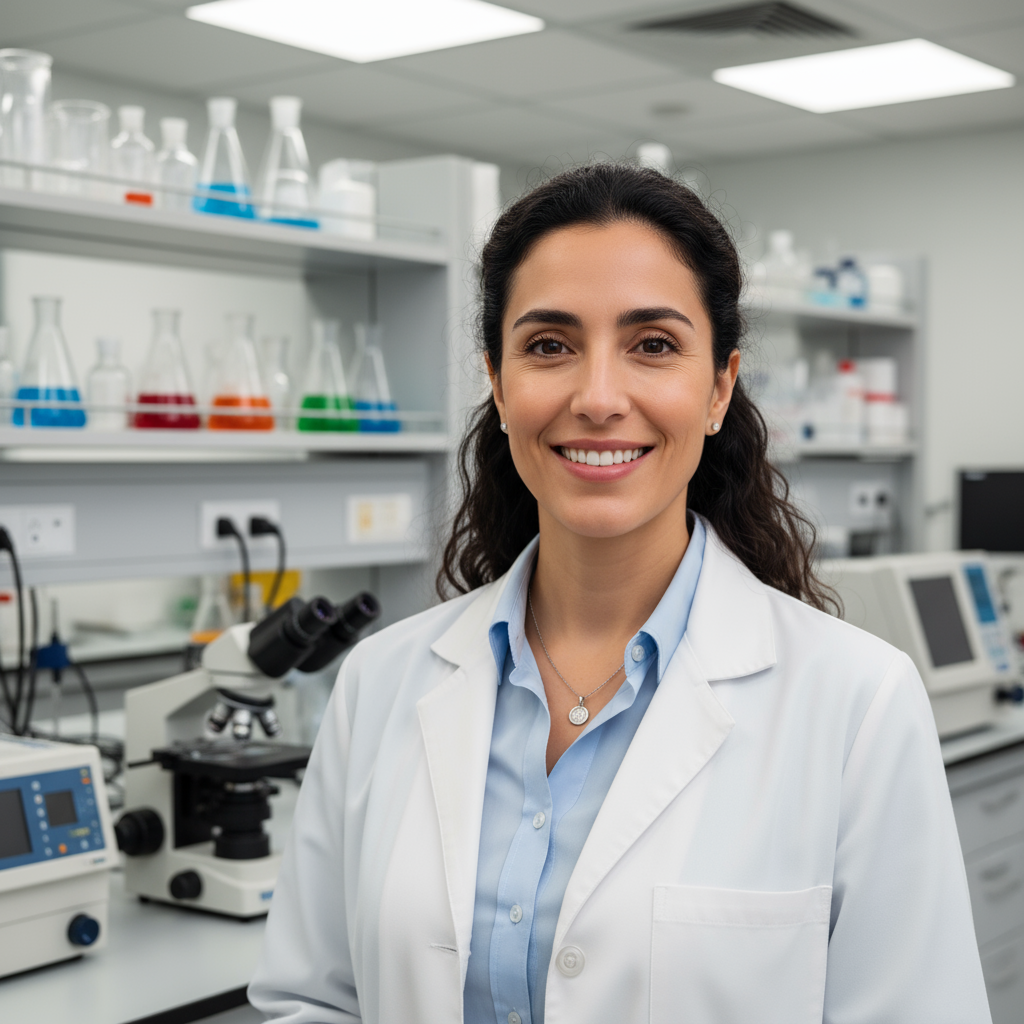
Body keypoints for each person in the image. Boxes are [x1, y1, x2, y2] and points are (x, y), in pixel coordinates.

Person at [248, 165, 990, 1024]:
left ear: (719, 389)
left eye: (654, 345)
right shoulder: (379, 683)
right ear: (498, 384)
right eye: (549, 346)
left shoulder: (859, 701)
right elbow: (312, 999)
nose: (598, 398)